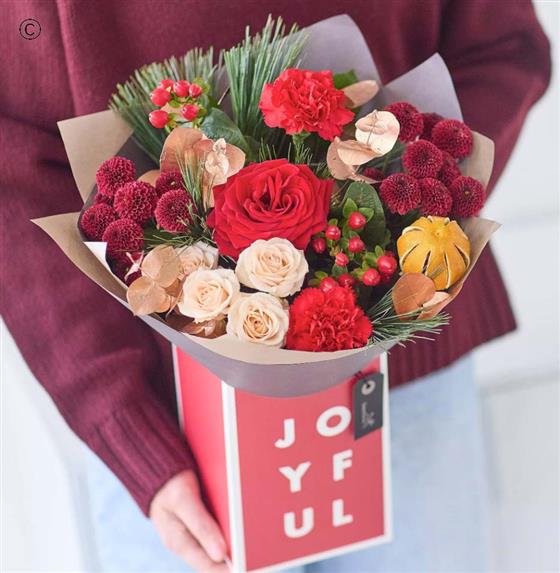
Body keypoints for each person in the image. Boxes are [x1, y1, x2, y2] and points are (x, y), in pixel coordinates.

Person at [1, 1, 550, 572]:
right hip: (177, 436)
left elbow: (503, 48)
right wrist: (130, 429)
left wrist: (412, 211)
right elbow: (14, 168)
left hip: (408, 391)